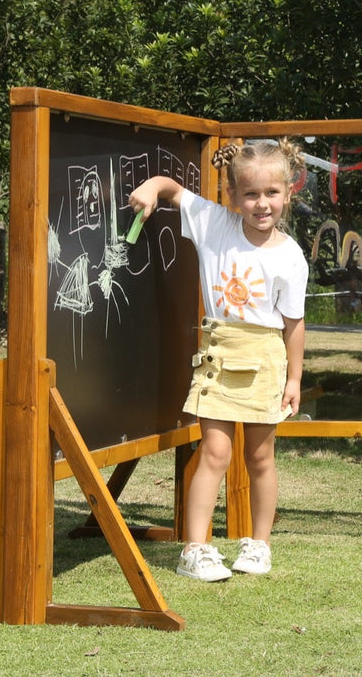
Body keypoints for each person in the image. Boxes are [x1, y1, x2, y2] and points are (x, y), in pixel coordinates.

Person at [128, 139, 308, 582]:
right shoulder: (213, 223)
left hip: (266, 357)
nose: (261, 204)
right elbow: (171, 187)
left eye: (271, 193)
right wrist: (150, 189)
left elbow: (294, 324)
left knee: (261, 457)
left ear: (288, 193)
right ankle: (196, 549)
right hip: (219, 351)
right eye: (250, 194)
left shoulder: (291, 256)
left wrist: (295, 378)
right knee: (215, 451)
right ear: (232, 196)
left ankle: (259, 544)